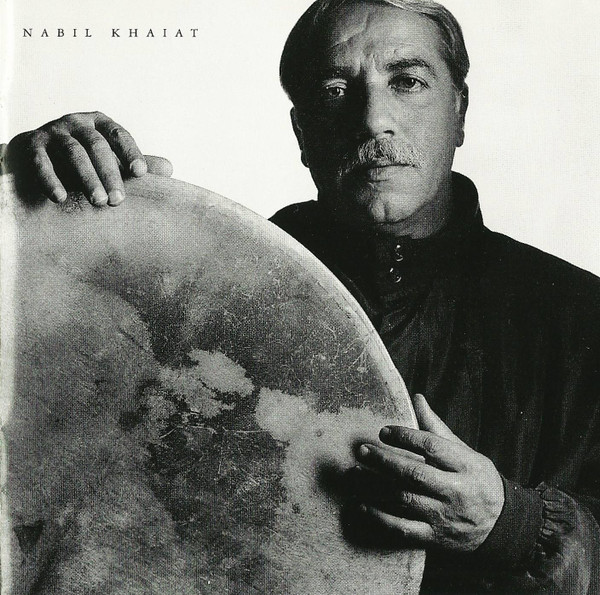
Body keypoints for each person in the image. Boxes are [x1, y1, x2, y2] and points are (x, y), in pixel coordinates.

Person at [3, 0, 599, 592]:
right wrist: (33, 204)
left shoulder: (580, 319)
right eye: (336, 91)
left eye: (408, 82)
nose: (374, 121)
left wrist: (515, 526)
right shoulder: (201, 295)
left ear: (459, 112)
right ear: (302, 132)